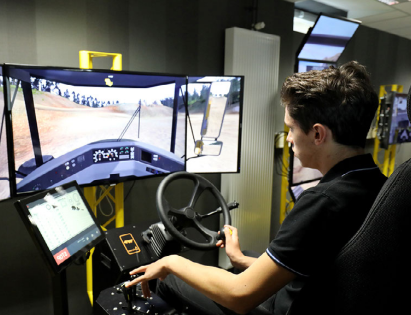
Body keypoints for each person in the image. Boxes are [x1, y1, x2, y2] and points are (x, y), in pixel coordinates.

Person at [126, 61, 387, 315]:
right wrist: (240, 260)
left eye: (291, 129)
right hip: (320, 296)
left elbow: (239, 297)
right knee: (244, 260)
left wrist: (171, 262)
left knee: (170, 279)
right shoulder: (379, 184)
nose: (288, 139)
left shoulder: (323, 201)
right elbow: (309, 267)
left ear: (318, 134)